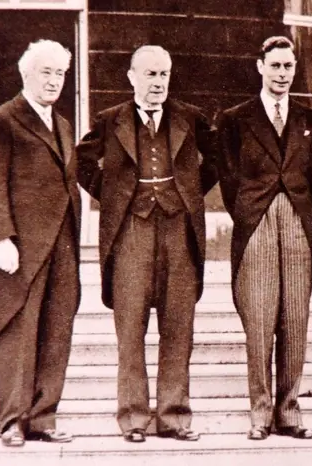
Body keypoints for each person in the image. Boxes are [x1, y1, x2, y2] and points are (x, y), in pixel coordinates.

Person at [76, 45, 219, 443]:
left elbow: (218, 159)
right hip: (131, 235)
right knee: (131, 328)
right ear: (132, 76)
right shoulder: (110, 120)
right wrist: (115, 195)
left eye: (164, 75)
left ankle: (174, 417)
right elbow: (83, 162)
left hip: (179, 232)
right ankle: (134, 418)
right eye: (151, 74)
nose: (158, 83)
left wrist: (189, 193)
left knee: (178, 329)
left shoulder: (190, 118)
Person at [0, 39, 81, 447]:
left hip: (63, 246)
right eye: (46, 72)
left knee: (57, 331)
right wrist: (1, 238)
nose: (54, 81)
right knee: (17, 332)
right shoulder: (0, 120)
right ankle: (12, 421)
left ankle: (43, 418)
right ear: (26, 75)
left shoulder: (64, 124)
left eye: (60, 73)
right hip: (21, 248)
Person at [216, 36, 312, 440]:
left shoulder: (308, 118)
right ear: (260, 66)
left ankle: (289, 411)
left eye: (288, 66)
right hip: (256, 219)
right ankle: (260, 413)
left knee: (294, 318)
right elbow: (227, 176)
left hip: (298, 220)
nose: (282, 74)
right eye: (275, 65)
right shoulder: (235, 117)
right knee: (259, 319)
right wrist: (247, 212)